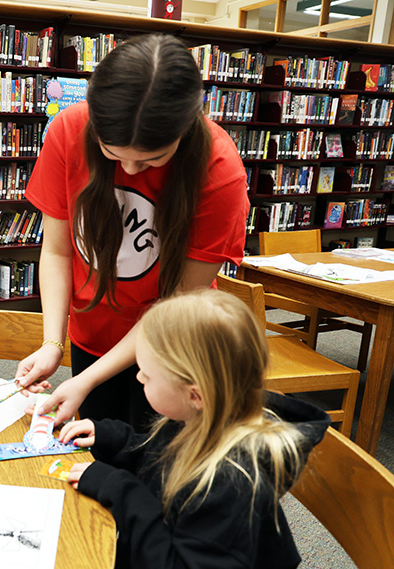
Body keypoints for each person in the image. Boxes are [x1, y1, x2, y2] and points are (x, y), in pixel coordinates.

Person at [16, 34, 250, 427]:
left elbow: (175, 304)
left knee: (158, 461)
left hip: (171, 346)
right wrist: (52, 342)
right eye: (112, 153)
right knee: (96, 453)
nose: (129, 171)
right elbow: (58, 251)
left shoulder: (220, 170)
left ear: (185, 128)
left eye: (152, 160)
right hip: (91, 331)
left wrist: (87, 380)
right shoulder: (68, 130)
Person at [60, 289, 330, 568]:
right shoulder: (205, 419)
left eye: (147, 374)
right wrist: (112, 438)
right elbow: (159, 459)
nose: (138, 377)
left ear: (195, 396)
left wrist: (121, 491)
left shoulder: (230, 484)